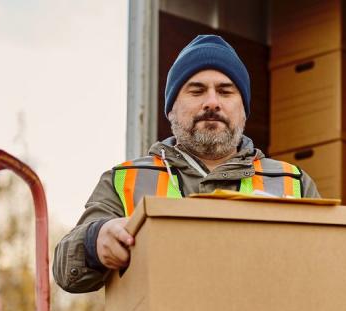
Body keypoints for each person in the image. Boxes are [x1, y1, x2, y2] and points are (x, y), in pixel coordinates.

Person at [53, 34, 321, 293]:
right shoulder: (125, 180)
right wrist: (94, 240)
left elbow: (327, 266)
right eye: (197, 91)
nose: (212, 102)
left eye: (226, 92)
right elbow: (65, 271)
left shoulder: (293, 183)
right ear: (171, 109)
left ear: (243, 110)